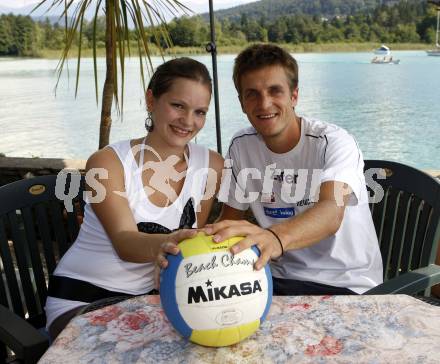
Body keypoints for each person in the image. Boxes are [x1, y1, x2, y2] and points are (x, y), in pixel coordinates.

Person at [45, 57, 224, 340]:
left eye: (199, 112)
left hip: (153, 301)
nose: (188, 121)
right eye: (178, 105)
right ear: (151, 100)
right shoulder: (109, 162)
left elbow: (191, 248)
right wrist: (183, 241)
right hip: (86, 297)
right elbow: (125, 243)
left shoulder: (211, 165)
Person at [203, 43, 383, 295]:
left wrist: (275, 238)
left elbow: (332, 212)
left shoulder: (334, 142)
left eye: (275, 91)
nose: (264, 104)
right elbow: (230, 222)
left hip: (345, 284)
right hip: (274, 278)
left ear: (294, 95)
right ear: (242, 102)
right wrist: (188, 255)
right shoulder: (241, 146)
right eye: (252, 93)